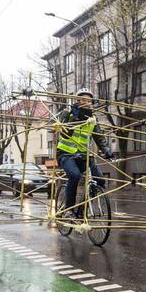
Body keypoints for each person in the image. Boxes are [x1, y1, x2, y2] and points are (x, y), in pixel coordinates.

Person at [55, 88, 114, 217]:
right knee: (75, 175)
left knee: (99, 180)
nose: (86, 102)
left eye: (88, 100)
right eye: (83, 100)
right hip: (65, 154)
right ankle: (69, 210)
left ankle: (82, 208)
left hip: (83, 155)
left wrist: (107, 150)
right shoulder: (67, 113)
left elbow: (99, 137)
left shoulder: (93, 118)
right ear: (77, 101)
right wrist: (75, 117)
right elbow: (65, 134)